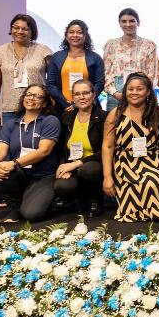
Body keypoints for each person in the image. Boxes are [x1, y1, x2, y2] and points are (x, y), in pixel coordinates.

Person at [102, 73, 159, 221]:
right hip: (125, 163)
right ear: (125, 91)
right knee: (128, 208)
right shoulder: (114, 115)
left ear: (148, 92)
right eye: (130, 89)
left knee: (151, 182)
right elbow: (107, 147)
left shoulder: (158, 113)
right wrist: (107, 177)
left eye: (139, 89)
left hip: (153, 160)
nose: (134, 92)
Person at [0, 84, 60, 222]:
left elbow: (44, 151)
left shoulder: (50, 121)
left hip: (43, 176)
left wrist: (14, 163)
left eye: (38, 96)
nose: (32, 98)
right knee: (0, 167)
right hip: (20, 174)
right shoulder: (11, 124)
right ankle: (15, 206)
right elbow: (0, 149)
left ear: (44, 103)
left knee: (32, 215)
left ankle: (41, 201)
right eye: (29, 94)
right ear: (23, 98)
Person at [52, 79, 107, 218]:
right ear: (72, 97)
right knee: (62, 187)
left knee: (87, 170)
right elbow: (61, 147)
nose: (81, 97)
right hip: (72, 163)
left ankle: (95, 200)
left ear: (93, 95)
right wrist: (63, 165)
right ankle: (79, 199)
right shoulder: (67, 116)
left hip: (95, 164)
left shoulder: (104, 117)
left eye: (85, 93)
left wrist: (76, 163)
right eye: (77, 94)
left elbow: (106, 150)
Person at [0, 14, 51, 126]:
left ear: (32, 32)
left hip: (37, 107)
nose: (20, 31)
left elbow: (53, 80)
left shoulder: (43, 51)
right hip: (10, 109)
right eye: (16, 27)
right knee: (11, 142)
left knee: (36, 142)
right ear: (11, 29)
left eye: (25, 29)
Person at [102, 8, 158, 110]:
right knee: (115, 125)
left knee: (141, 125)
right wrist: (115, 93)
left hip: (141, 95)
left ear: (138, 23)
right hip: (116, 96)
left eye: (132, 21)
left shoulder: (149, 45)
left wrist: (141, 93)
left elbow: (152, 74)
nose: (128, 24)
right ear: (119, 24)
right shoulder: (111, 45)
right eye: (124, 21)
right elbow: (106, 73)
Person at [46, 20, 105, 115]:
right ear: (66, 35)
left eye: (79, 32)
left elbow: (100, 83)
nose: (75, 35)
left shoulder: (95, 58)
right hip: (62, 108)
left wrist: (83, 102)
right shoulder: (56, 57)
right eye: (71, 32)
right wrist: (66, 104)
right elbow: (51, 84)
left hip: (89, 107)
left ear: (85, 36)